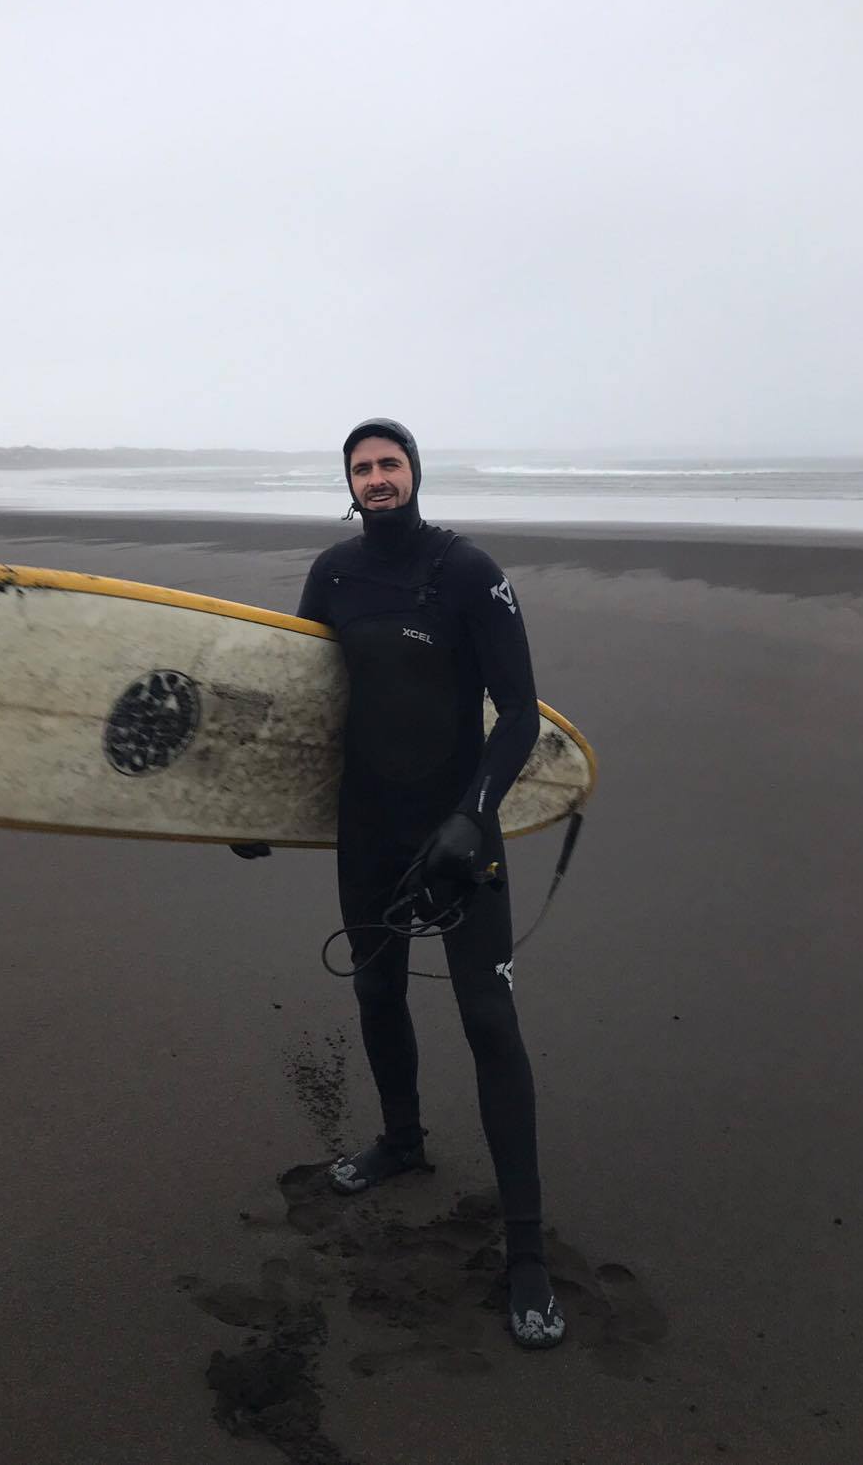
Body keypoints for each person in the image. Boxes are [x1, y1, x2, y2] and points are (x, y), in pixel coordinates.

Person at [237, 418, 566, 1349]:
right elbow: (308, 704)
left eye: (389, 463)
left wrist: (471, 816)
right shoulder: (333, 574)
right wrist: (256, 807)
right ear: (347, 483)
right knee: (378, 990)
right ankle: (402, 1141)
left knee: (487, 1022)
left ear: (415, 472)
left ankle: (529, 1255)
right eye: (361, 468)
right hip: (369, 829)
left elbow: (518, 716)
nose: (376, 477)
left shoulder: (467, 572)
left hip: (459, 833)